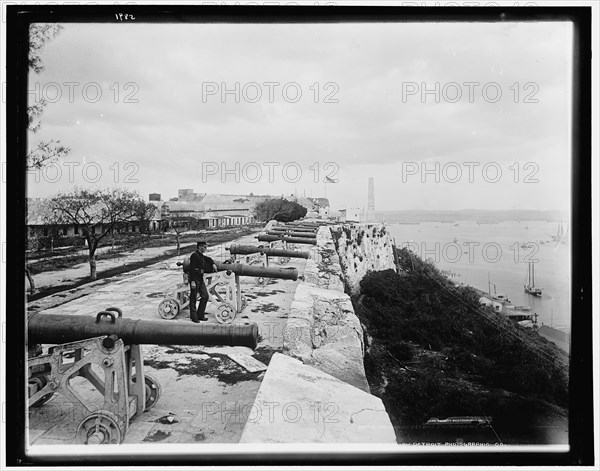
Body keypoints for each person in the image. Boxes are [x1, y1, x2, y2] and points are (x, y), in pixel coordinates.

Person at [188, 241, 217, 322]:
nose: (205, 248)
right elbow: (192, 269)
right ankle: (194, 317)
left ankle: (200, 315)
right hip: (195, 278)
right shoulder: (194, 255)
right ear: (200, 247)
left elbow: (208, 259)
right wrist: (192, 281)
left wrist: (213, 263)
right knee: (193, 298)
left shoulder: (201, 256)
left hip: (200, 278)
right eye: (204, 247)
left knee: (205, 296)